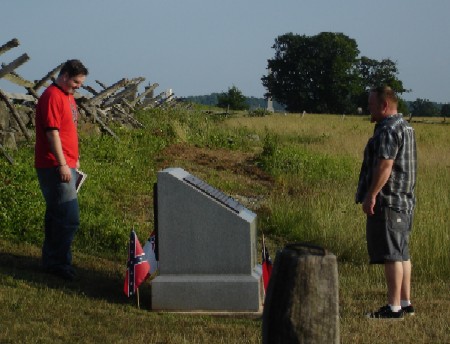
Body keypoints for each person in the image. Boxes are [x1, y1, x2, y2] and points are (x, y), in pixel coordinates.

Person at [356, 86, 417, 319]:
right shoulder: (406, 126)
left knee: (392, 254)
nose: (368, 108)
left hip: (390, 200)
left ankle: (393, 308)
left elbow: (385, 165)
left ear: (384, 106)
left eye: (371, 104)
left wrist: (372, 194)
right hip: (405, 200)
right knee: (402, 252)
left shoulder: (388, 130)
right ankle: (405, 302)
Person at [35, 59, 88, 281]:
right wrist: (62, 163)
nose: (78, 86)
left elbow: (67, 130)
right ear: (64, 75)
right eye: (76, 82)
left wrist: (73, 159)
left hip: (66, 164)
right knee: (68, 216)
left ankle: (53, 260)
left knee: (57, 214)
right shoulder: (53, 96)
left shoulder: (67, 97)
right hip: (54, 165)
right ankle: (58, 263)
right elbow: (52, 132)